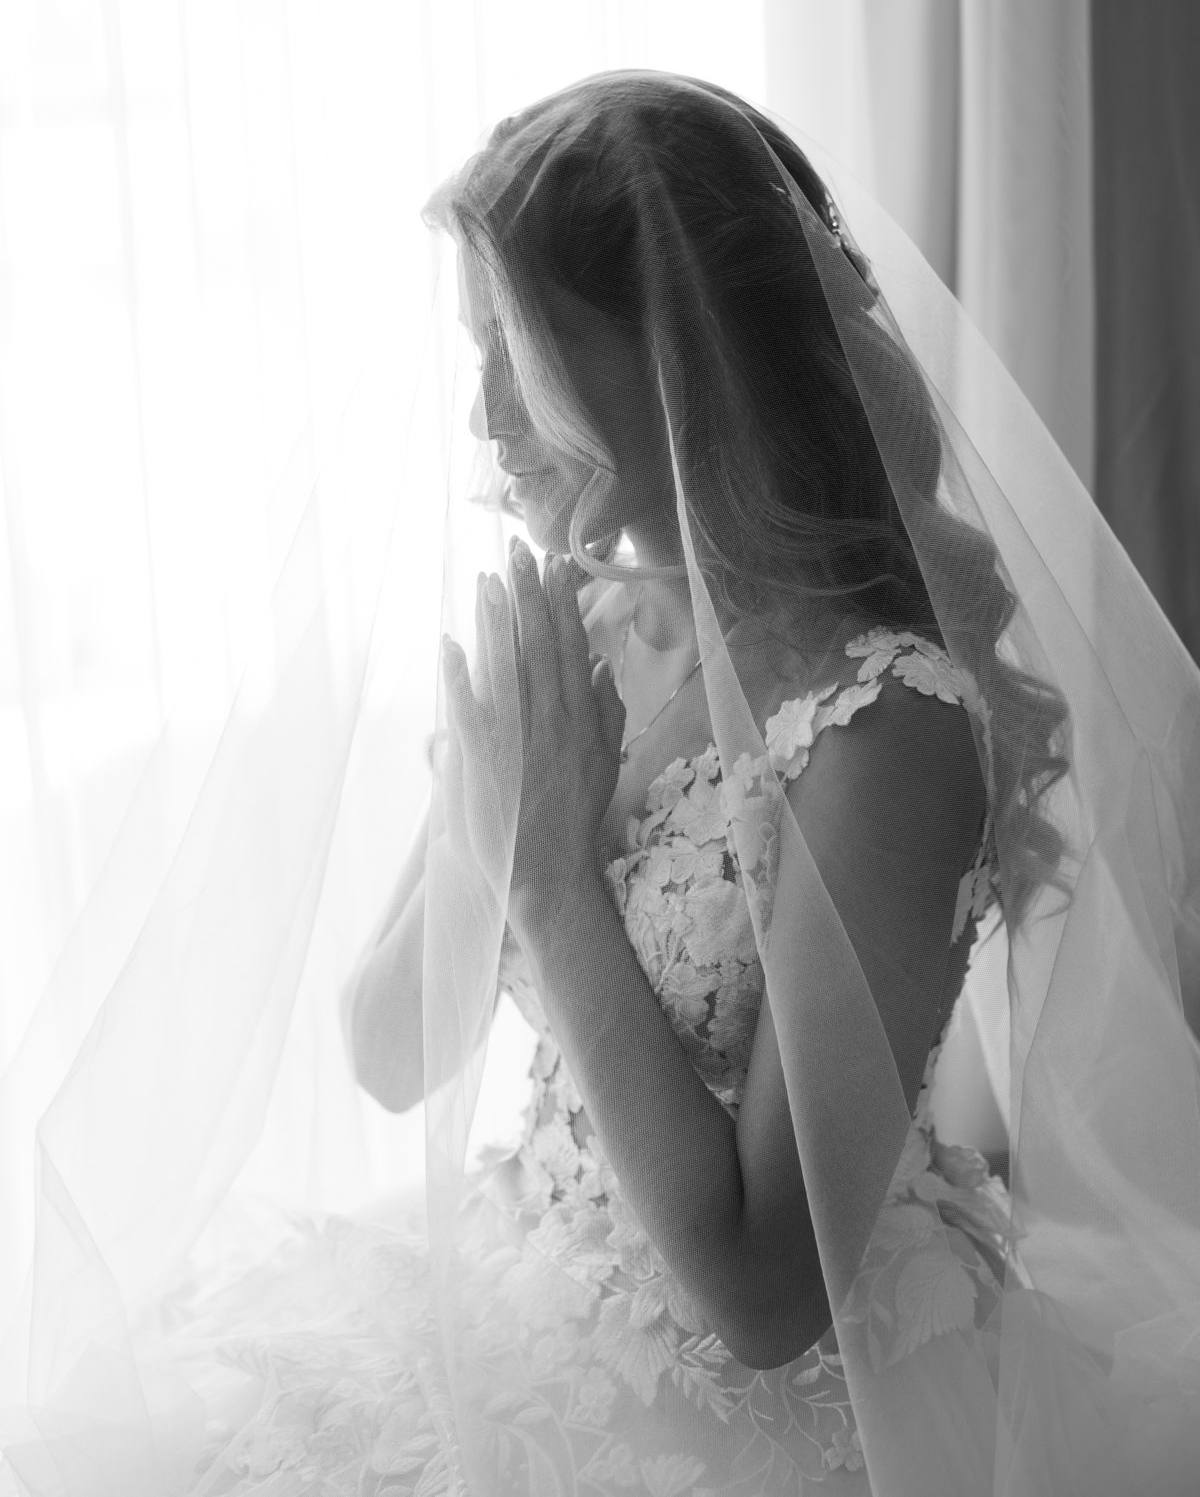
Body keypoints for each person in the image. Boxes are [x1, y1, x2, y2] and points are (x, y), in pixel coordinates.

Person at [7, 73, 1199, 1497]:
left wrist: (551, 881)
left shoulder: (886, 727)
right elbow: (389, 1048)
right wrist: (499, 797)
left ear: (679, 355)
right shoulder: (588, 636)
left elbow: (766, 1294)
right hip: (525, 1274)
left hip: (782, 1397)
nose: (482, 417)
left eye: (517, 353)